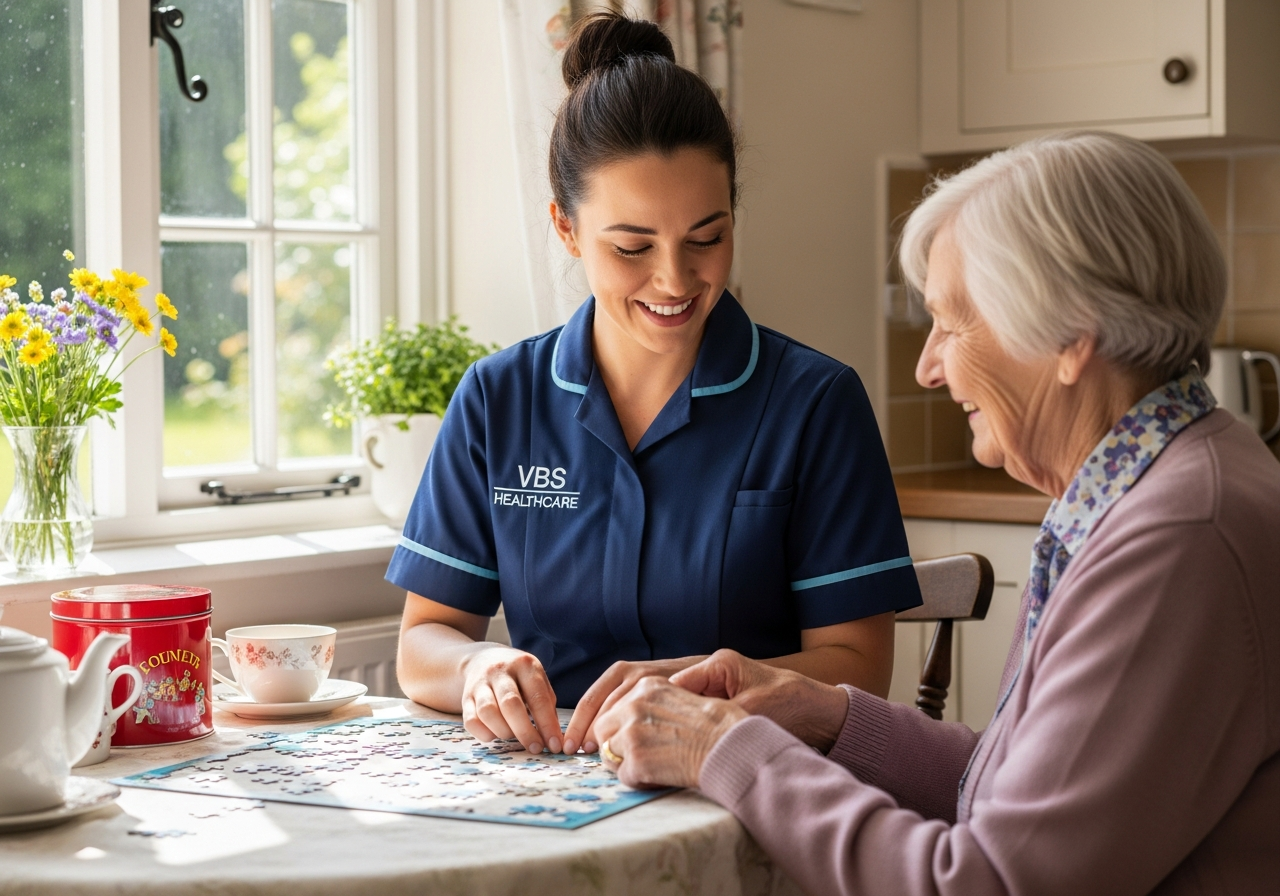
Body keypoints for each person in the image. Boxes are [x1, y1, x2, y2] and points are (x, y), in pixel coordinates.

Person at [592, 130, 1280, 895]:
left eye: (952, 323)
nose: (927, 367)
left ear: (1071, 335)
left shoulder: (1180, 541)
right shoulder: (1156, 492)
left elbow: (986, 883)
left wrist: (726, 750)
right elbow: (1017, 795)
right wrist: (827, 714)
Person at [388, 12, 921, 758]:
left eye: (708, 238)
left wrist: (696, 694)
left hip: (751, 791)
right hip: (550, 791)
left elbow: (857, 668)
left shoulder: (815, 403)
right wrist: (478, 665)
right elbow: (424, 643)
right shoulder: (496, 398)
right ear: (567, 230)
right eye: (632, 246)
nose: (675, 279)